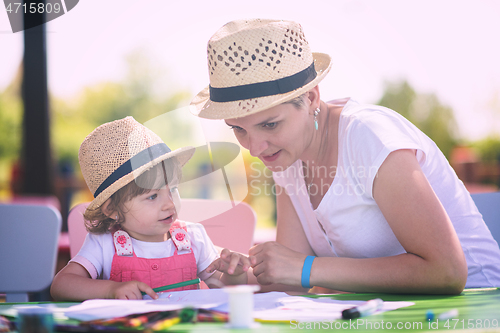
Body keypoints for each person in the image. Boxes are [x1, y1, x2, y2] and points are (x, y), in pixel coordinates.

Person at [190, 19, 500, 294]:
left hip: (476, 306)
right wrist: (241, 279)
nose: (255, 149)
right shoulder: (285, 156)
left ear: (311, 98)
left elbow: (446, 271)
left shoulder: (369, 136)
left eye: (269, 124)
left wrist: (308, 269)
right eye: (238, 130)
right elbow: (289, 275)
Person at [51, 116, 250, 301]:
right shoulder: (103, 244)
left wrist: (234, 274)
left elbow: (223, 291)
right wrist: (110, 290)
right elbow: (61, 286)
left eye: (172, 188)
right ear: (112, 210)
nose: (170, 204)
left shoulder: (194, 238)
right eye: (152, 196)